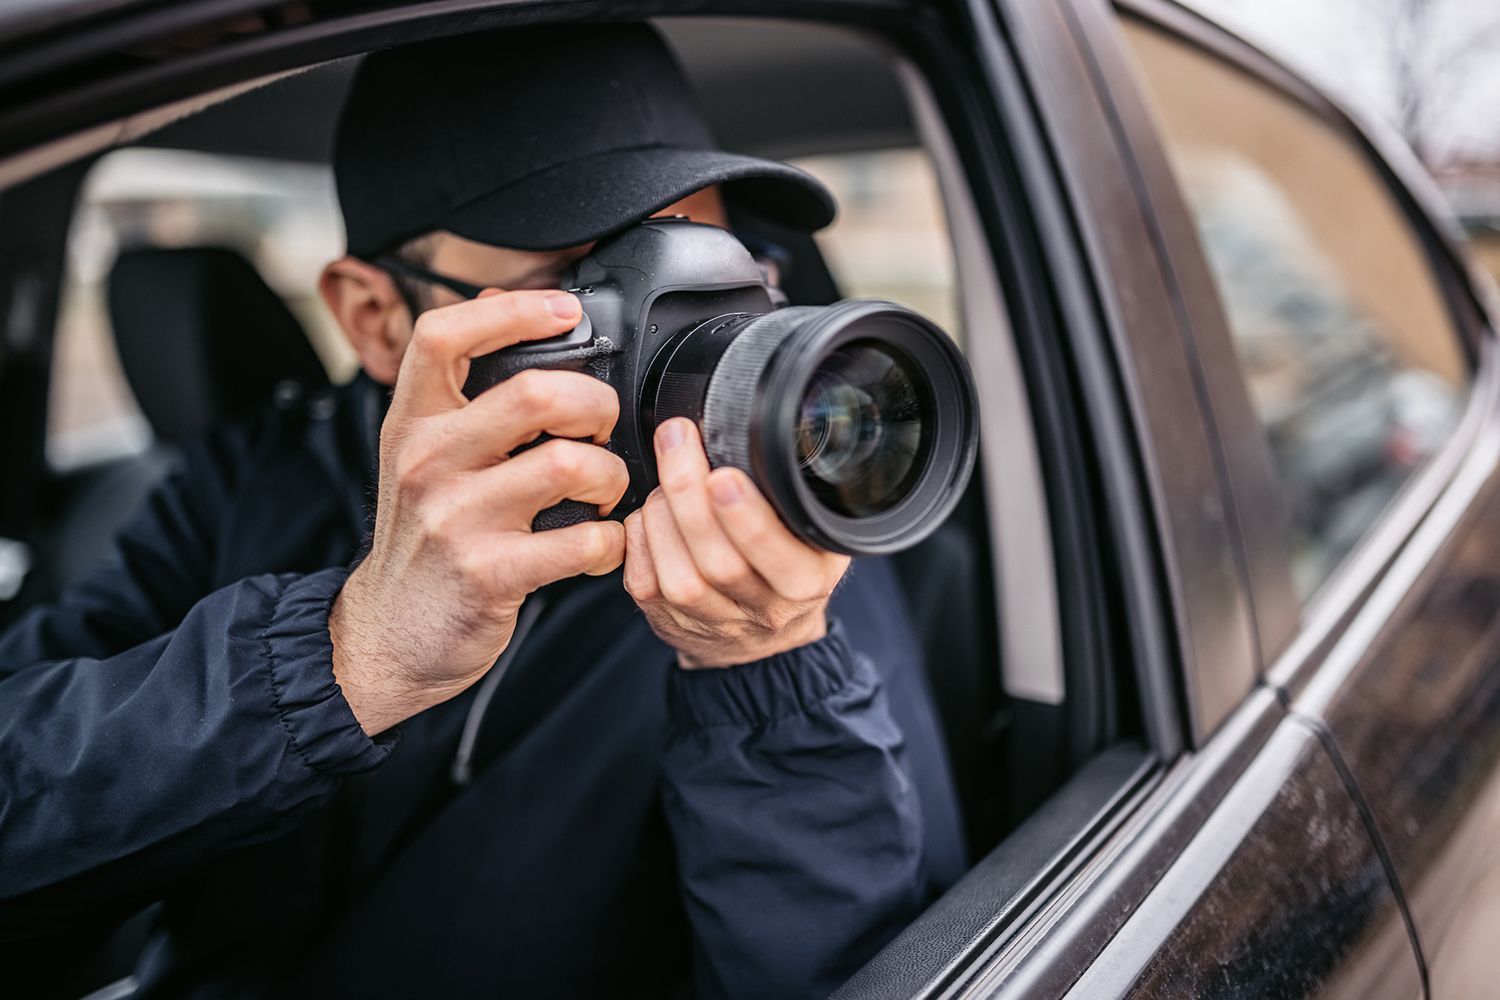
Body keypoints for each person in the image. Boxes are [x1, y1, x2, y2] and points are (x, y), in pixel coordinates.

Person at [0, 24, 964, 999]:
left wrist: (767, 669)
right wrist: (345, 656)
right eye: (590, 286)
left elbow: (866, 971)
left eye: (717, 259)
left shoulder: (771, 551)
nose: (682, 317)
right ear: (375, 317)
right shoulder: (247, 483)